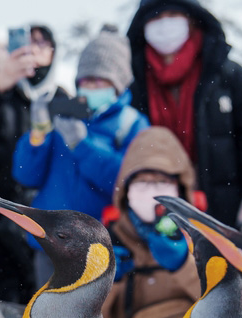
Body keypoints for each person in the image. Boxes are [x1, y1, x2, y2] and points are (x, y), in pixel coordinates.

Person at [13, 27, 149, 285]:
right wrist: (39, 133)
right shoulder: (64, 117)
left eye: (100, 81)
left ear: (117, 85)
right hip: (49, 246)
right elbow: (25, 174)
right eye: (86, 80)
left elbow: (127, 183)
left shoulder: (132, 124)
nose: (90, 87)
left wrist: (82, 146)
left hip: (99, 251)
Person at [127, 0, 242, 234]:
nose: (164, 25)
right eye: (155, 18)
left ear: (191, 19)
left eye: (173, 14)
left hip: (225, 212)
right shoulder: (135, 86)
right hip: (159, 215)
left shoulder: (229, 76)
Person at [102, 126, 200, 318]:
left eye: (161, 181)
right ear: (126, 191)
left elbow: (233, 305)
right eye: (141, 184)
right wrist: (108, 284)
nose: (152, 191)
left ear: (179, 188)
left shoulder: (202, 239)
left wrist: (185, 264)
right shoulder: (105, 243)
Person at [0, 24, 69, 302]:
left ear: (54, 53)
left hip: (47, 223)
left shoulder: (63, 99)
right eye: (28, 42)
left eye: (42, 43)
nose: (34, 49)